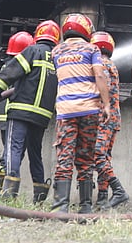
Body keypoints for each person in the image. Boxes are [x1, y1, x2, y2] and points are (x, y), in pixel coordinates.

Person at [0, 20, 59, 201]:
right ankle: (39, 197)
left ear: (38, 35)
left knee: (13, 149)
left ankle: (8, 196)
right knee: (35, 154)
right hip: (42, 116)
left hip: (20, 112)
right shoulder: (57, 58)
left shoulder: (31, 51)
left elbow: (10, 73)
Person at [48, 14, 111, 213]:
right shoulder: (92, 49)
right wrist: (107, 104)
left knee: (64, 157)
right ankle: (85, 207)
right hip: (89, 110)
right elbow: (99, 75)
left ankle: (60, 207)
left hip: (66, 111)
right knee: (86, 158)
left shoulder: (56, 51)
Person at [0, 31, 36, 199]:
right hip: (15, 116)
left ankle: (0, 194)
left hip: (5, 119)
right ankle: (6, 195)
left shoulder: (8, 67)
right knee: (13, 154)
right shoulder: (22, 68)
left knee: (8, 154)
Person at [90, 31, 129, 210]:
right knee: (104, 157)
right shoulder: (111, 64)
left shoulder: (101, 65)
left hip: (103, 118)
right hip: (113, 120)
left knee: (98, 155)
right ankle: (102, 199)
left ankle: (118, 190)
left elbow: (100, 88)